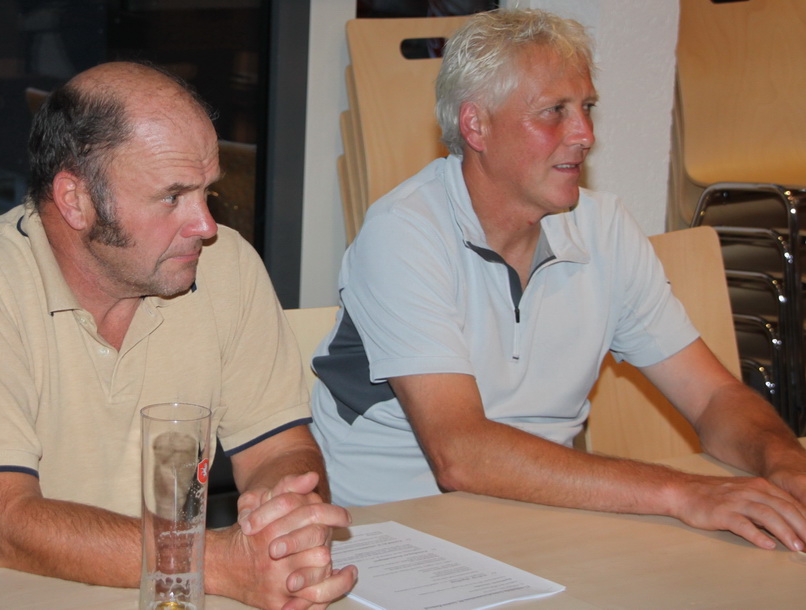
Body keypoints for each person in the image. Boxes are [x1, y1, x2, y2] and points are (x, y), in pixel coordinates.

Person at [0, 61, 357, 609]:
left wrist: (289, 525)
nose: (205, 225)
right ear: (75, 200)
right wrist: (219, 561)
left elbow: (280, 448)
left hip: (140, 591)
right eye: (172, 196)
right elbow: (8, 527)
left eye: (207, 192)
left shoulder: (226, 265)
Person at [311, 8, 806, 553]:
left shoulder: (605, 229)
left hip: (543, 525)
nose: (585, 134)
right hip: (391, 536)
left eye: (587, 107)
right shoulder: (404, 232)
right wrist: (682, 492)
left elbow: (712, 396)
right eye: (555, 111)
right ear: (476, 125)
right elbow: (461, 453)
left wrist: (785, 462)